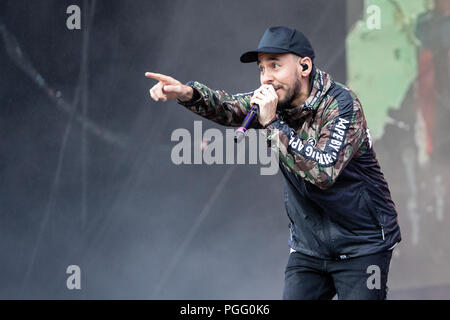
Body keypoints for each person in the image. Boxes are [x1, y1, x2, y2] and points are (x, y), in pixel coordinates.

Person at [145, 26, 401, 300]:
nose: (266, 78)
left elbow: (323, 172)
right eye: (261, 69)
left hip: (363, 246)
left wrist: (272, 124)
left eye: (275, 66)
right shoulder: (275, 103)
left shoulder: (342, 104)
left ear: (304, 66)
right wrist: (186, 93)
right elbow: (229, 105)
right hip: (309, 249)